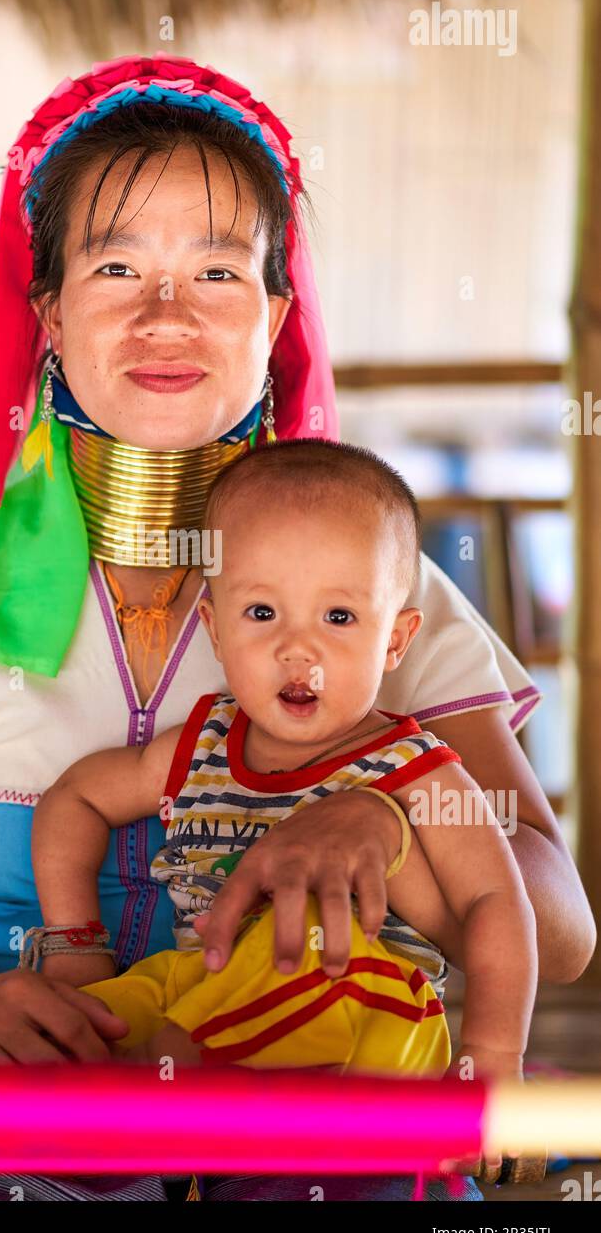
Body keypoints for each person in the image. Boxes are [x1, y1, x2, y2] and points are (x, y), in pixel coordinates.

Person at [0, 56, 593, 1201]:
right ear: (50, 315)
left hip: (313, 1151)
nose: (166, 313)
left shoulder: (387, 595)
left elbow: (552, 929)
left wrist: (388, 820)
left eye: (216, 269)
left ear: (271, 317)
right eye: (116, 266)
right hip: (2, 1142)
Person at [29, 439, 537, 1086]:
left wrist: (492, 1054)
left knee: (299, 948)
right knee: (82, 1022)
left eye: (339, 616)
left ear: (396, 641)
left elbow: (498, 898)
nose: (298, 649)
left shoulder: (415, 768)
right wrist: (75, 945)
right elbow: (76, 798)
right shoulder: (201, 746)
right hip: (207, 983)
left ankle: (164, 1088)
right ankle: (117, 1097)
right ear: (216, 630)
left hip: (358, 994)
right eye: (262, 612)